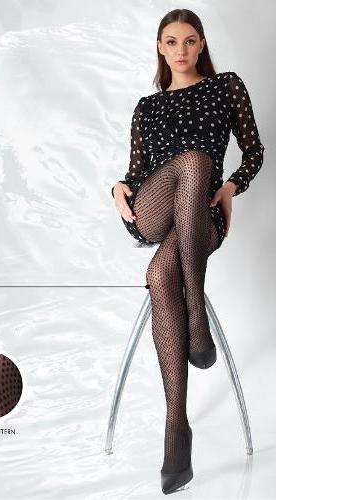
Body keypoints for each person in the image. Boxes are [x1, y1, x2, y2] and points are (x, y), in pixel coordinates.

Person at [110, 9, 265, 495]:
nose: (181, 50)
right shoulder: (147, 108)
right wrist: (116, 188)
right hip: (153, 212)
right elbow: (138, 175)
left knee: (161, 275)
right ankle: (196, 313)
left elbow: (254, 151)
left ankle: (176, 432)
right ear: (160, 47)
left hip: (203, 219)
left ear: (202, 45)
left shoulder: (226, 87)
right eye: (172, 41)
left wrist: (231, 188)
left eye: (190, 40)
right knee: (193, 160)